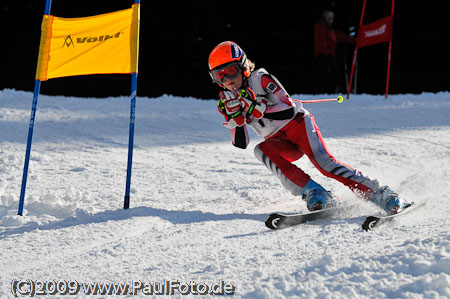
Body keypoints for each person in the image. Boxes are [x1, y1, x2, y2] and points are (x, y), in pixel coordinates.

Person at [208, 41, 409, 214]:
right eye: (219, 76)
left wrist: (257, 107)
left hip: (298, 127)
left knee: (325, 164)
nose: (227, 80)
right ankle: (315, 192)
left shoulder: (260, 79)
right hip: (278, 141)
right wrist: (234, 117)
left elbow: (287, 108)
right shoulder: (229, 100)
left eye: (230, 71)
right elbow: (241, 142)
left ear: (242, 66)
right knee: (261, 151)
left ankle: (383, 194)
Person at [314, 10, 355, 93]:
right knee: (327, 76)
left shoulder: (330, 29)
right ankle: (323, 94)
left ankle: (331, 93)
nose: (330, 20)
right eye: (329, 17)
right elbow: (321, 41)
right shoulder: (320, 26)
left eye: (332, 18)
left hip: (330, 56)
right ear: (324, 16)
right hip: (323, 56)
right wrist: (326, 53)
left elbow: (340, 36)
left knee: (335, 76)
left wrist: (355, 40)